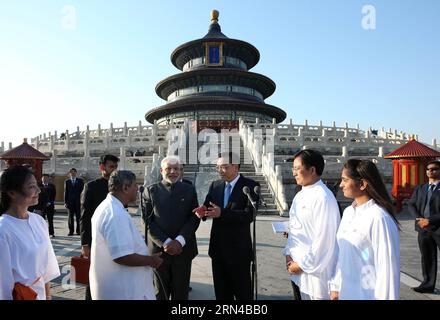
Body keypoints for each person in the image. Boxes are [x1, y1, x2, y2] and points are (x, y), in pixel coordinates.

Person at [329, 159, 400, 300]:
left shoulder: (379, 218)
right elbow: (342, 254)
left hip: (368, 295)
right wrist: (336, 286)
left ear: (362, 184)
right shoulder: (349, 212)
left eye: (345, 180)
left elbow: (388, 270)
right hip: (346, 292)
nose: (341, 185)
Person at [193, 151, 259, 300]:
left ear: (235, 166)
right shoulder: (215, 185)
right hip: (218, 250)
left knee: (243, 294)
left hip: (239, 251)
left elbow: (249, 215)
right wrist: (202, 211)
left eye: (224, 167)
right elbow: (208, 206)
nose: (220, 171)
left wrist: (222, 213)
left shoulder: (250, 186)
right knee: (222, 294)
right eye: (217, 167)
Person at [89, 170, 162, 300]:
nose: (137, 189)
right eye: (135, 185)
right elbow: (122, 256)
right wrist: (150, 260)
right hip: (123, 290)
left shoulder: (113, 207)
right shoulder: (114, 214)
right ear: (125, 187)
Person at [283, 149, 340, 300]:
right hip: (296, 268)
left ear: (312, 170)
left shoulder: (323, 197)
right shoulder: (300, 195)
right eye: (293, 168)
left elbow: (324, 241)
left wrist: (301, 265)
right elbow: (294, 228)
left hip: (316, 273)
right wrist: (288, 254)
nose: (293, 173)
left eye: (297, 168)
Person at [143, 156, 200, 300]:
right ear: (161, 170)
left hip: (183, 251)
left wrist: (179, 241)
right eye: (168, 168)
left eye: (176, 168)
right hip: (159, 252)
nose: (173, 172)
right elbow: (148, 221)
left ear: (181, 171)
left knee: (181, 293)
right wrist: (166, 242)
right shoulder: (150, 191)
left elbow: (194, 218)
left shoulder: (190, 190)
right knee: (159, 293)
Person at [0, 166, 60, 300]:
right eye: (32, 186)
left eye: (37, 185)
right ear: (12, 193)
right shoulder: (3, 229)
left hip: (40, 294)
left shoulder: (39, 221)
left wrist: (48, 295)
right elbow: (3, 282)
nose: (38, 190)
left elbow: (46, 267)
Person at [80, 154, 119, 300]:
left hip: (114, 239)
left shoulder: (119, 187)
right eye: (111, 166)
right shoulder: (91, 186)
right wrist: (85, 243)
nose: (114, 170)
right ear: (102, 167)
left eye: (116, 167)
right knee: (94, 277)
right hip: (96, 240)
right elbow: (84, 217)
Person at [408, 159, 440, 293]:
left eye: (434, 169)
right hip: (423, 228)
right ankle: (427, 284)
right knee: (427, 257)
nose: (430, 171)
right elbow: (411, 204)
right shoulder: (420, 188)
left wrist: (430, 220)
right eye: (428, 169)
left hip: (438, 227)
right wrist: (419, 219)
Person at [64, 168, 84, 236]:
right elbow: (66, 192)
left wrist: (82, 201)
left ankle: (78, 231)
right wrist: (65, 202)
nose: (73, 173)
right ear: (69, 173)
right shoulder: (67, 181)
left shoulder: (80, 181)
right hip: (70, 202)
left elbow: (83, 192)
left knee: (79, 217)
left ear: (76, 173)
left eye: (74, 172)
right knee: (70, 217)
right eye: (71, 172)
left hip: (78, 202)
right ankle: (71, 231)